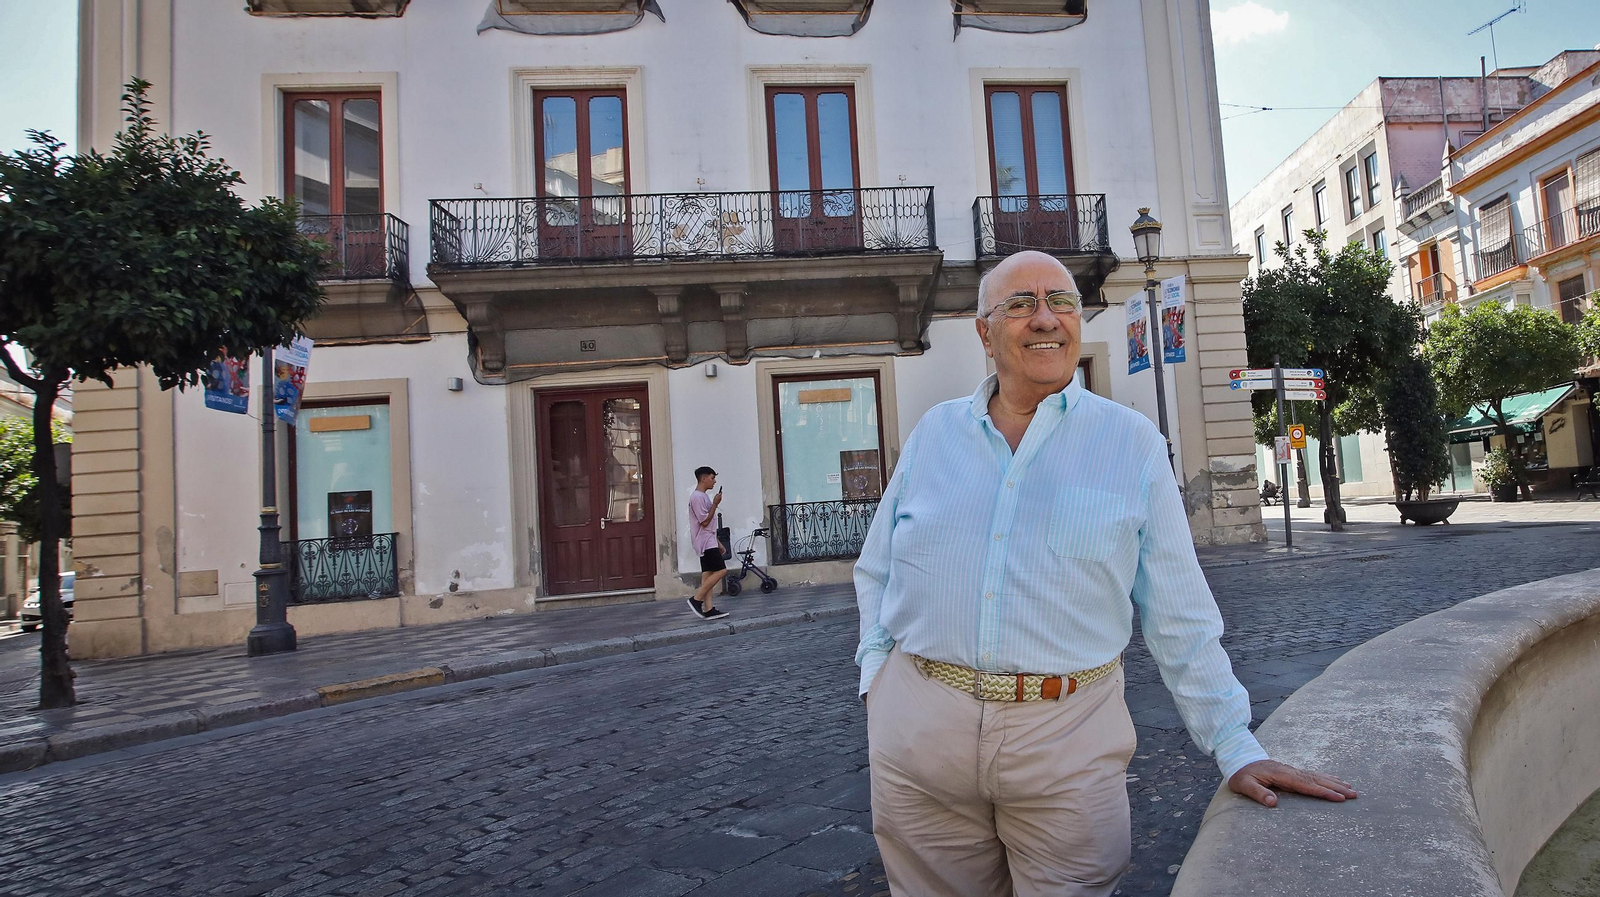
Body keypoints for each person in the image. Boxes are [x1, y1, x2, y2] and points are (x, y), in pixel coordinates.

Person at [854, 251, 1356, 897]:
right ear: (984, 331)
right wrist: (877, 675)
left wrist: (1235, 744)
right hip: (919, 735)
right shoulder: (935, 433)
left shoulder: (1130, 442)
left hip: (1067, 738)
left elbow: (1180, 609)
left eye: (1060, 301)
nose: (1046, 318)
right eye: (1020, 303)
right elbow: (878, 567)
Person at [687, 466, 730, 620]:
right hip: (704, 541)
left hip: (709, 539)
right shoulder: (697, 497)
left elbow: (708, 524)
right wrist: (715, 504)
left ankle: (709, 608)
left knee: (708, 575)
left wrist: (717, 542)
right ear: (703, 478)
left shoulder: (703, 496)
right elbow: (704, 522)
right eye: (712, 478)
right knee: (721, 570)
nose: (715, 481)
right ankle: (696, 599)